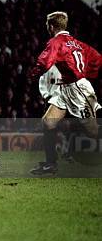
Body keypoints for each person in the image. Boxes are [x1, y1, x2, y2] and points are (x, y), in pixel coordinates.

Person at [28, 11, 101, 175]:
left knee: (93, 131)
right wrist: (85, 73)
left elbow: (45, 61)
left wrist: (33, 73)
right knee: (48, 121)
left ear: (51, 26)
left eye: (48, 25)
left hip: (77, 89)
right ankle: (50, 164)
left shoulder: (56, 41)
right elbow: (97, 58)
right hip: (67, 88)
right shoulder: (77, 43)